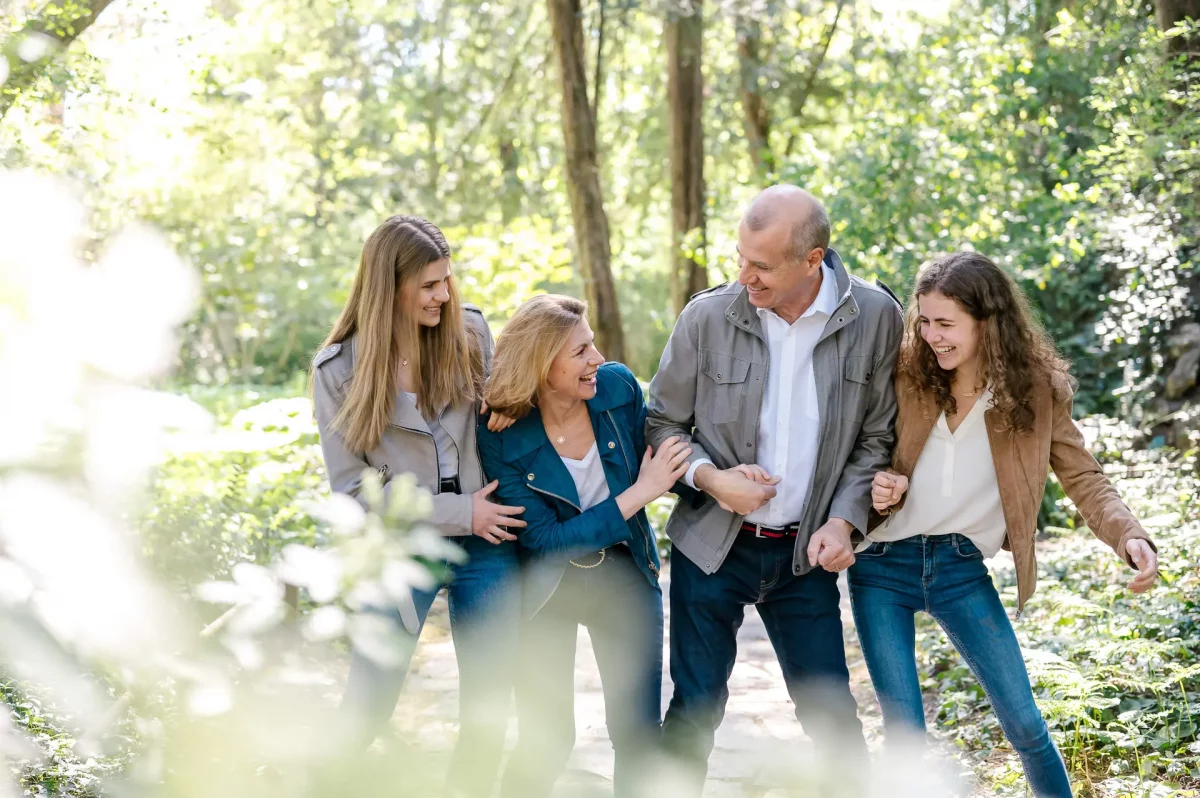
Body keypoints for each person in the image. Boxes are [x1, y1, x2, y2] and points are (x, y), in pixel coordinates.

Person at [858, 251, 1159, 798]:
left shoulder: (1036, 392)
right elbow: (862, 450)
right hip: (881, 565)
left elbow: (1082, 474)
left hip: (960, 567)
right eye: (923, 321)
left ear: (988, 322)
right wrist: (880, 485)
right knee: (906, 738)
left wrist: (1129, 534)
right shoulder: (905, 374)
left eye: (946, 324)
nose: (931, 336)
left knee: (1025, 725)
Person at [646, 184, 904, 794]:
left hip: (805, 556)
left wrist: (845, 521)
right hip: (711, 548)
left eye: (761, 265)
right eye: (740, 258)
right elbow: (660, 424)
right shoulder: (707, 316)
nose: (745, 276)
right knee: (694, 708)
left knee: (832, 716)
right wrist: (712, 480)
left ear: (812, 260)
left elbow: (877, 438)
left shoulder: (875, 318)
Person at [311, 215, 524, 797]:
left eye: (447, 280)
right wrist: (461, 514)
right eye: (429, 285)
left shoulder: (473, 334)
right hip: (401, 546)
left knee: (488, 708)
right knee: (369, 703)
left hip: (491, 542)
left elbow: (526, 396)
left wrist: (514, 402)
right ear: (390, 287)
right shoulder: (337, 372)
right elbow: (354, 492)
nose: (445, 295)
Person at [476, 294, 690, 798]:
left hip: (623, 572)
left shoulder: (615, 388)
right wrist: (639, 494)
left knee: (637, 733)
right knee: (548, 738)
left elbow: (666, 460)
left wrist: (718, 477)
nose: (597, 357)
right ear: (540, 363)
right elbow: (545, 541)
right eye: (579, 351)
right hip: (548, 589)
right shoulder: (501, 433)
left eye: (592, 343)